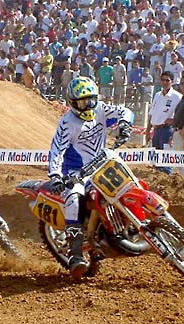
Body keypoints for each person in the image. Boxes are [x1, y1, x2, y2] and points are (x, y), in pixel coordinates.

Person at [47, 76, 133, 278]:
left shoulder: (101, 109)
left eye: (92, 100)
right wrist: (56, 176)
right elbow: (56, 151)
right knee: (74, 199)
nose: (89, 105)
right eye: (84, 102)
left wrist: (125, 124)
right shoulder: (67, 123)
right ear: (72, 103)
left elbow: (125, 111)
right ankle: (75, 253)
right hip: (76, 172)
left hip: (102, 164)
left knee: (126, 182)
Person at [145, 71, 182, 175]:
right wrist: (148, 131)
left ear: (172, 82)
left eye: (167, 80)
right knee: (156, 161)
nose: (165, 82)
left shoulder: (177, 97)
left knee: (165, 161)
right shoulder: (157, 95)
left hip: (167, 130)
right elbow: (151, 113)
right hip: (156, 130)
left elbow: (182, 116)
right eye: (163, 80)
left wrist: (173, 132)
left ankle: (166, 182)